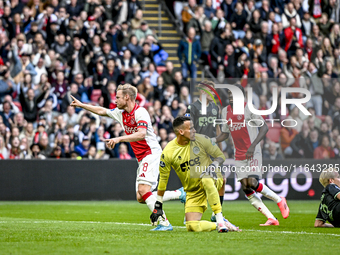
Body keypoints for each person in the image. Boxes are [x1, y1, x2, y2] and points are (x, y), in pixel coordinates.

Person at [70, 84, 185, 230]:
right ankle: (179, 193)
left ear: (127, 97)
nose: (115, 100)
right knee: (141, 197)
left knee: (144, 190)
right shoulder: (120, 113)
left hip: (151, 154)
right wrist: (82, 105)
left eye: (117, 97)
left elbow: (141, 134)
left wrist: (119, 139)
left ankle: (164, 222)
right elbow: (102, 111)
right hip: (142, 158)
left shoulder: (140, 112)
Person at [213, 84, 290, 226]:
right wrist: (212, 140)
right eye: (229, 94)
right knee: (246, 187)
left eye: (233, 94)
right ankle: (271, 218)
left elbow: (265, 127)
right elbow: (224, 134)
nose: (230, 97)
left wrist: (253, 146)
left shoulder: (248, 108)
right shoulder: (225, 112)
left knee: (252, 183)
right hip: (239, 155)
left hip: (253, 152)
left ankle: (279, 199)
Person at [150, 116, 240, 232]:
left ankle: (220, 220)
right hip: (193, 191)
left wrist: (213, 166)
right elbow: (163, 180)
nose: (195, 131)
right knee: (192, 226)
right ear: (181, 132)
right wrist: (158, 204)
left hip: (211, 177)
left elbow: (220, 156)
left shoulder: (201, 140)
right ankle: (217, 225)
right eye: (191, 128)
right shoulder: (168, 152)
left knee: (206, 178)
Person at [184, 80, 226, 222]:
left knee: (222, 180)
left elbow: (218, 129)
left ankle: (217, 214)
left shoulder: (215, 107)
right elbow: (188, 128)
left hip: (212, 149)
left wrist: (220, 150)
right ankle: (189, 212)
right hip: (198, 150)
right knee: (198, 184)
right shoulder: (193, 108)